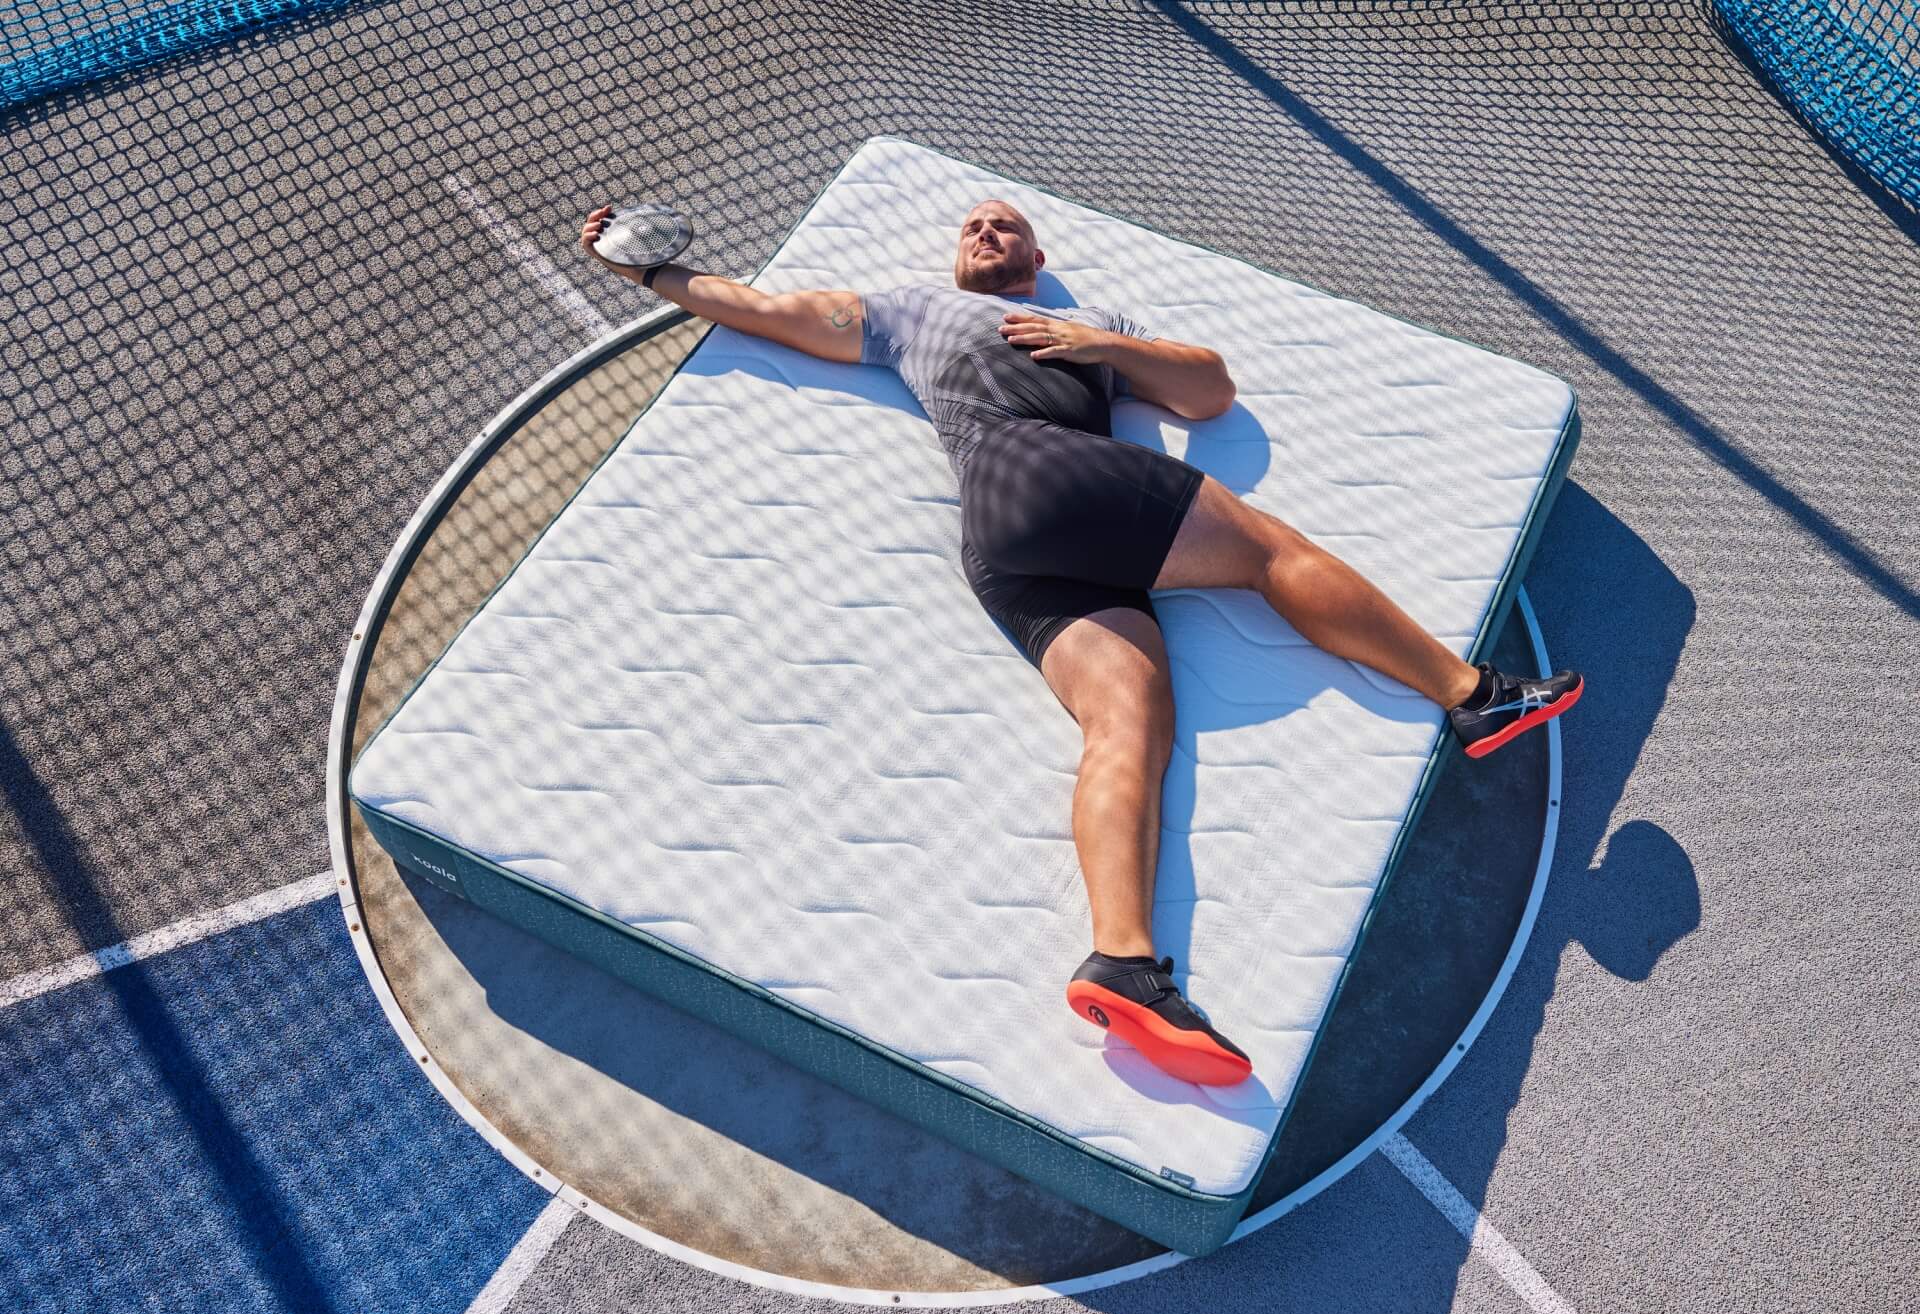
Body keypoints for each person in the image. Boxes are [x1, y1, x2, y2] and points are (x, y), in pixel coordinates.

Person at [580, 198, 1583, 1088]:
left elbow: (1208, 391)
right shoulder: (909, 311)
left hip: (1011, 547)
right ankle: (1471, 694)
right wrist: (654, 272)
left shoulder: (1091, 322)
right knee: (1268, 550)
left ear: (1036, 252)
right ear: (954, 258)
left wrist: (1097, 347)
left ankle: (1123, 962)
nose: (985, 231)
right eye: (971, 226)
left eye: (1004, 224)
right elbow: (779, 313)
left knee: (1127, 729)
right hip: (1037, 473)